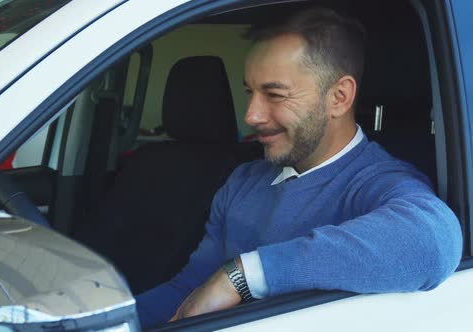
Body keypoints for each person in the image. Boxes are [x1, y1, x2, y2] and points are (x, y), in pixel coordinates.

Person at [136, 8, 463, 327]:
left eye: (274, 95)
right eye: (250, 92)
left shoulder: (376, 182)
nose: (251, 115)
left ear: (339, 96)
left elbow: (434, 242)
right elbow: (191, 288)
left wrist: (241, 275)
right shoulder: (243, 181)